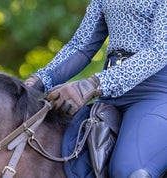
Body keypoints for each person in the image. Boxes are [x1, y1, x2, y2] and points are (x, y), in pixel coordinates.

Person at [24, 0, 167, 177]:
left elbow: (160, 50)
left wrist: (94, 84)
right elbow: (81, 46)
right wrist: (39, 82)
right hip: (111, 93)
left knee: (128, 171)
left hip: (157, 93)